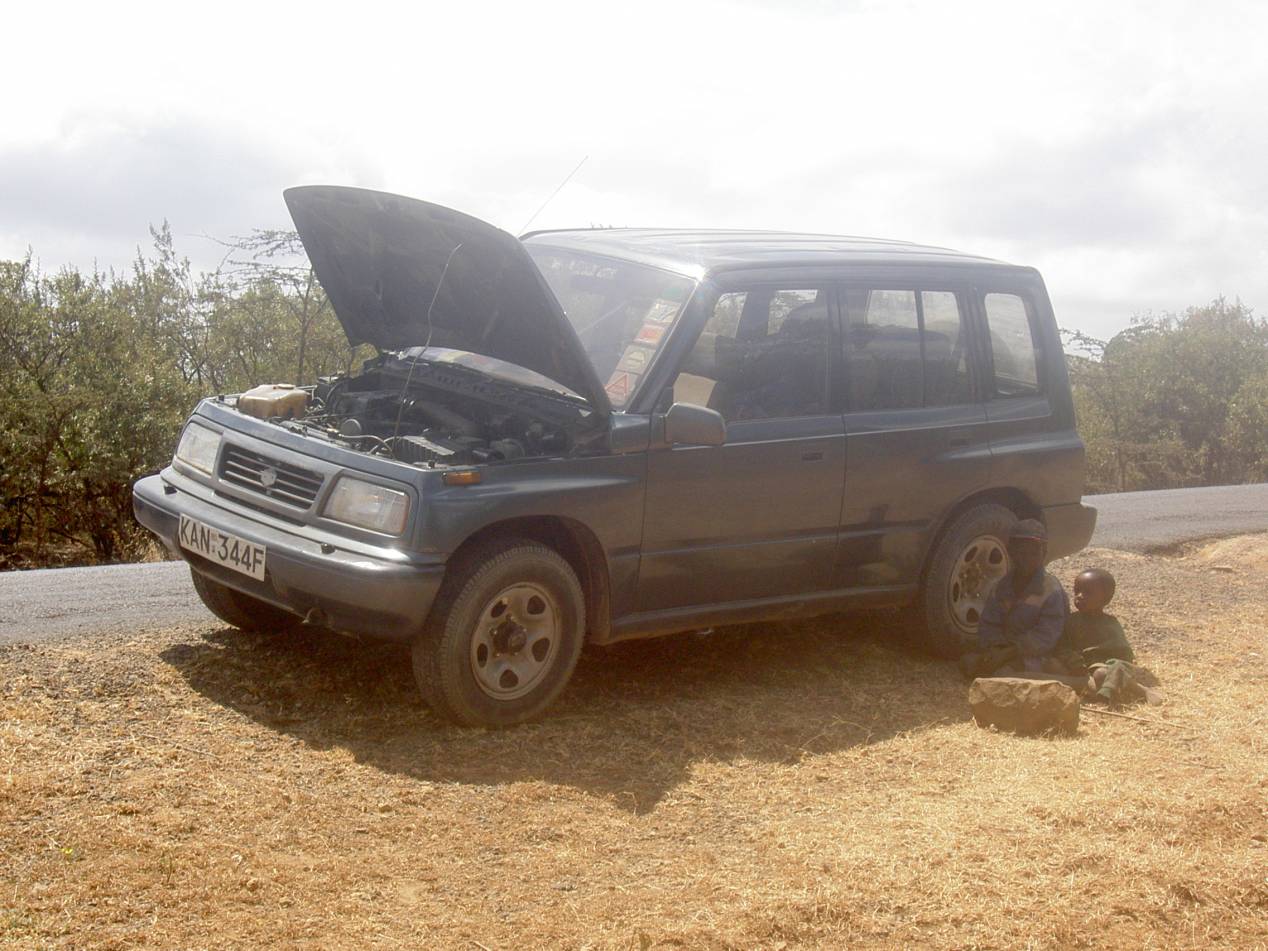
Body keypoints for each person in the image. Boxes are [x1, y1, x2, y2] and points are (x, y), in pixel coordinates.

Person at [959, 519, 1071, 679]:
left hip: (1038, 652)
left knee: (1004, 674)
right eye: (1021, 552)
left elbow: (1046, 636)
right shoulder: (1001, 587)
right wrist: (995, 648)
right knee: (967, 663)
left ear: (1044, 553)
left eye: (1033, 553)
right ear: (1010, 551)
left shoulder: (1051, 590)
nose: (1026, 558)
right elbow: (989, 623)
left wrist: (1010, 653)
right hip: (1005, 648)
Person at [1063, 568, 1160, 706]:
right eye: (1076, 591)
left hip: (1105, 665)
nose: (1079, 596)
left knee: (1102, 674)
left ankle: (1136, 691)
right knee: (1052, 665)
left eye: (1087, 593)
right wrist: (1071, 659)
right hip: (1080, 667)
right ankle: (1094, 689)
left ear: (1105, 599)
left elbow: (1122, 653)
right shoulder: (1071, 621)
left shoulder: (1110, 623)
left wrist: (1106, 663)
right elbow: (1063, 645)